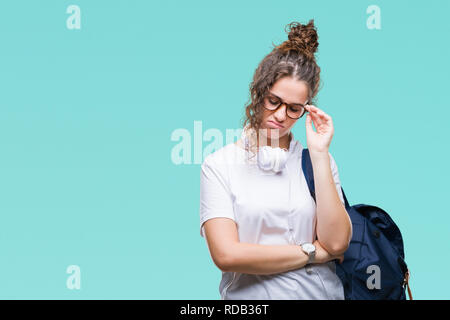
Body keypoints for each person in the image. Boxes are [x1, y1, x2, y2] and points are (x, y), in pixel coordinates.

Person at [199, 19, 352, 300]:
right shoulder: (219, 165)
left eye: (294, 109)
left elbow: (338, 242)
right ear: (258, 92)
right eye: (274, 101)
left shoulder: (316, 162)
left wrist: (319, 154)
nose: (281, 116)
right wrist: (311, 253)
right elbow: (226, 255)